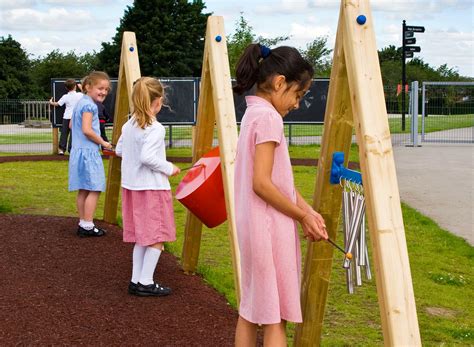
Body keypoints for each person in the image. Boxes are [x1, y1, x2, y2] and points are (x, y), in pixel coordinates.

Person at [233, 44, 329, 346]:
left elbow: (278, 181)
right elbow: (261, 183)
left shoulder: (253, 112)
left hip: (255, 228)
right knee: (275, 319)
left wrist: (308, 211)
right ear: (278, 83)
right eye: (298, 95)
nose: (297, 104)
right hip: (269, 230)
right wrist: (301, 215)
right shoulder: (269, 118)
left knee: (250, 310)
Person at [115, 77, 181, 297]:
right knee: (156, 237)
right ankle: (145, 281)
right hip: (152, 189)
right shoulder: (155, 128)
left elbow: (119, 151)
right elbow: (147, 157)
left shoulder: (129, 124)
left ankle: (136, 280)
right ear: (158, 101)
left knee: (142, 237)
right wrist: (169, 167)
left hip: (133, 188)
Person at [69, 71, 113, 237]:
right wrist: (103, 142)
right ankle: (87, 225)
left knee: (84, 190)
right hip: (89, 153)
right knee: (95, 188)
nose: (103, 92)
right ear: (88, 87)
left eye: (106, 89)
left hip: (78, 151)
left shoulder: (80, 102)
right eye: (100, 88)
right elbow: (87, 130)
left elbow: (74, 126)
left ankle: (83, 222)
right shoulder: (90, 106)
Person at [49, 79, 83, 154]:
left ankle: (61, 150)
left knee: (64, 133)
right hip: (76, 117)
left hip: (66, 117)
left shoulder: (65, 96)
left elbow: (58, 104)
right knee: (73, 134)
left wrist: (51, 102)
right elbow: (88, 96)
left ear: (66, 88)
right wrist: (81, 88)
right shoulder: (80, 95)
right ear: (75, 86)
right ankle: (71, 150)